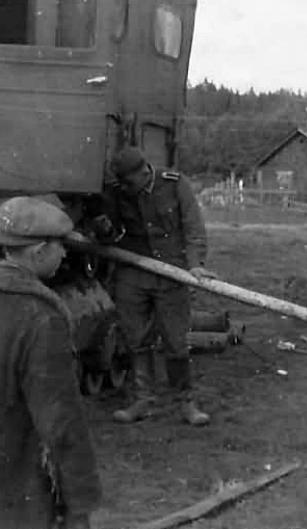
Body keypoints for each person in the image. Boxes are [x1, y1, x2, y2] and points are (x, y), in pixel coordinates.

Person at [0, 196, 102, 529]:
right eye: (60, 245)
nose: (65, 253)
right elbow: (61, 420)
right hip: (17, 476)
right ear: (39, 251)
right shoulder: (42, 315)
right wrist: (79, 503)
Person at [90, 147, 217, 426]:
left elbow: (193, 228)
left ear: (144, 172)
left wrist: (195, 265)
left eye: (129, 182)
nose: (125, 188)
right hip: (133, 272)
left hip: (171, 273)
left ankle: (186, 402)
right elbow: (111, 236)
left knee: (176, 342)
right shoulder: (118, 191)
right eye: (121, 183)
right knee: (136, 340)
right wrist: (105, 230)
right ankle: (142, 401)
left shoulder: (175, 184)